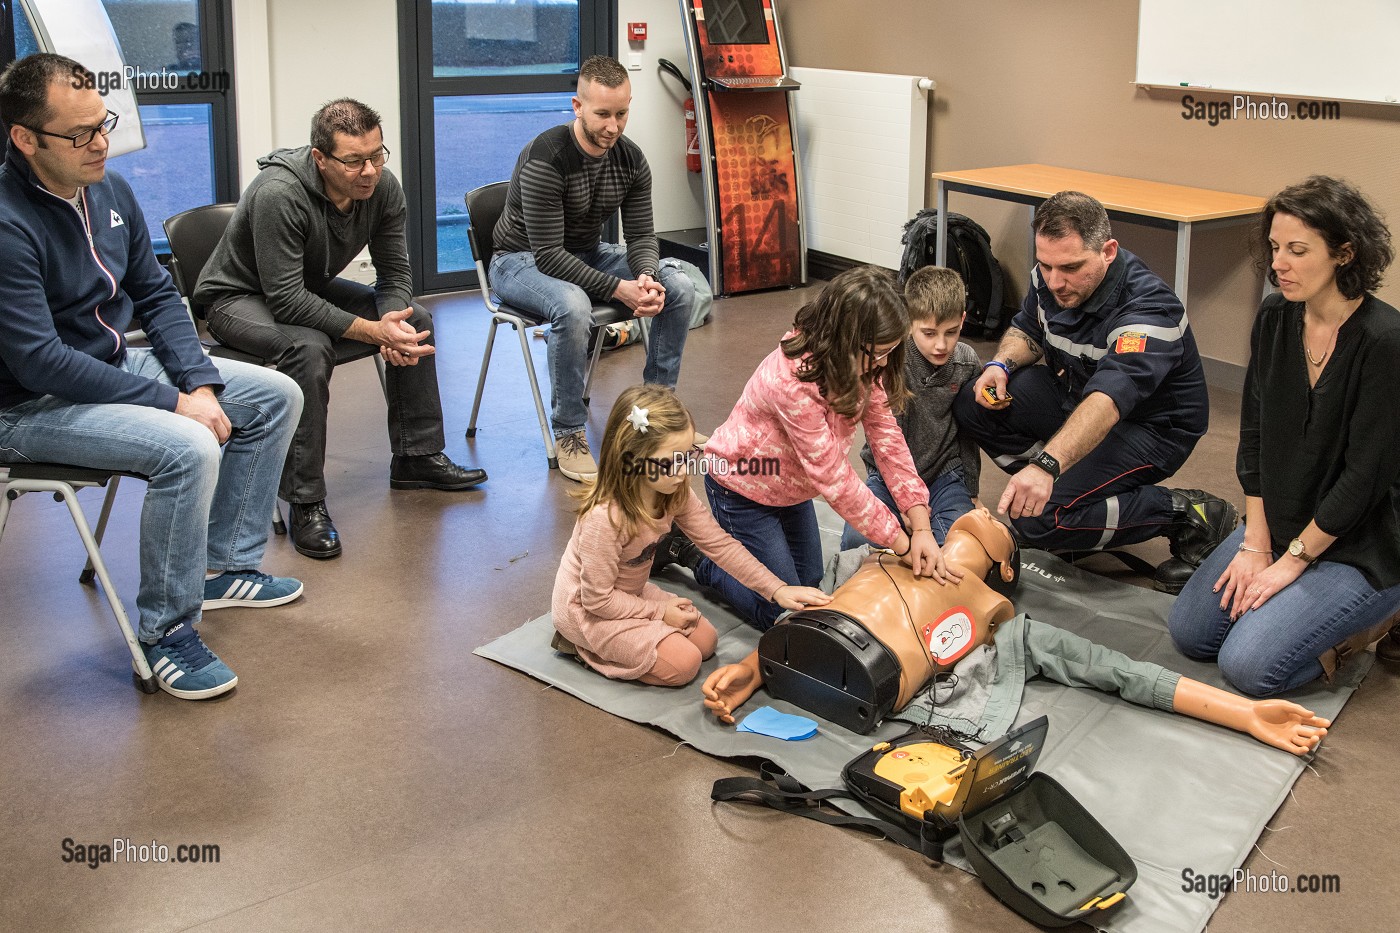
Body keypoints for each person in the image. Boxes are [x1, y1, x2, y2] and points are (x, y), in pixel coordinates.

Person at [0, 53, 304, 700]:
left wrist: (195, 382)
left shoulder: (108, 189)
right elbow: (39, 361)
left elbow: (159, 296)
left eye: (102, 123)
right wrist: (172, 402)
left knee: (275, 395)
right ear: (24, 139)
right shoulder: (6, 224)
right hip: (28, 404)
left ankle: (224, 567)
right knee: (188, 444)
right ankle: (166, 631)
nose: (102, 143)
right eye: (79, 134)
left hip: (109, 363)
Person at [703, 510, 1330, 758]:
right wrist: (755, 669)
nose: (982, 508)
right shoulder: (888, 549)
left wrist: (1246, 713)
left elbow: (1121, 671)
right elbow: (814, 607)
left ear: (1007, 568)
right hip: (812, 645)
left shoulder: (998, 621)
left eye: (997, 522)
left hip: (871, 677)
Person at [195, 97, 485, 561]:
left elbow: (394, 274)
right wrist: (374, 333)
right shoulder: (279, 193)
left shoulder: (383, 188)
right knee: (308, 349)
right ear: (320, 158)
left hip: (306, 287)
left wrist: (391, 320)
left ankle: (416, 456)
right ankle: (305, 501)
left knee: (418, 320)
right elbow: (285, 299)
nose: (369, 171)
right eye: (354, 161)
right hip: (235, 300)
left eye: (377, 155)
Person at [1169, 176, 1400, 697]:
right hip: (1286, 517)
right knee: (1193, 633)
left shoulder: (1386, 341)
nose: (1279, 263)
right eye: (1275, 248)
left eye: (1298, 250)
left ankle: (1378, 616)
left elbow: (1364, 480)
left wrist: (1293, 560)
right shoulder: (1275, 316)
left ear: (1344, 253)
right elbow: (1252, 434)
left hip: (1361, 538)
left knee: (1250, 667)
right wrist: (1256, 543)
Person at [953, 190, 1237, 594]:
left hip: (1148, 427)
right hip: (1074, 391)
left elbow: (1109, 400)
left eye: (1070, 267)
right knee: (972, 403)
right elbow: (1028, 331)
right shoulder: (1050, 275)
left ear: (1107, 251)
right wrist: (1001, 364)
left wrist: (1049, 465)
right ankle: (1070, 500)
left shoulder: (1149, 310)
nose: (1054, 281)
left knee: (1040, 520)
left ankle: (1186, 513)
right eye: (1045, 265)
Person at [654, 266, 947, 632]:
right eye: (878, 352)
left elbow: (888, 440)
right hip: (741, 489)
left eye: (891, 350)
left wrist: (919, 523)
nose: (885, 362)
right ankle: (690, 553)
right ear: (846, 338)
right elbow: (836, 482)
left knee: (812, 589)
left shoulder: (863, 361)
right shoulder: (792, 381)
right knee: (782, 612)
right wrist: (902, 544)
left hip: (789, 491)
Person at [490, 54, 698, 482]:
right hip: (519, 260)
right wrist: (618, 289)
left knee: (678, 285)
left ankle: (654, 414)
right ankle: (569, 431)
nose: (613, 126)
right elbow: (548, 255)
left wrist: (644, 276)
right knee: (572, 306)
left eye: (622, 113)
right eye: (602, 114)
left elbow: (641, 237)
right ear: (577, 106)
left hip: (585, 253)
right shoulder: (545, 157)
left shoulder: (631, 159)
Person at [551, 385, 830, 686]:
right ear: (631, 458)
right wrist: (658, 612)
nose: (683, 471)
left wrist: (776, 589)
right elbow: (597, 600)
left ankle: (639, 637)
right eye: (670, 461)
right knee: (684, 665)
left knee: (707, 642)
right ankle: (579, 646)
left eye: (686, 456)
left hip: (629, 594)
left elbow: (720, 545)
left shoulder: (672, 491)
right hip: (589, 611)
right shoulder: (605, 519)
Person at [840, 266, 980, 551]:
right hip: (888, 476)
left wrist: (972, 490)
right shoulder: (891, 361)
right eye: (928, 333)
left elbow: (969, 432)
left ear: (962, 321)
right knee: (857, 543)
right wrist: (906, 504)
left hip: (945, 475)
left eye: (951, 332)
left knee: (957, 546)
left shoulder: (966, 361)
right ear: (909, 322)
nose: (941, 344)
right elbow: (888, 441)